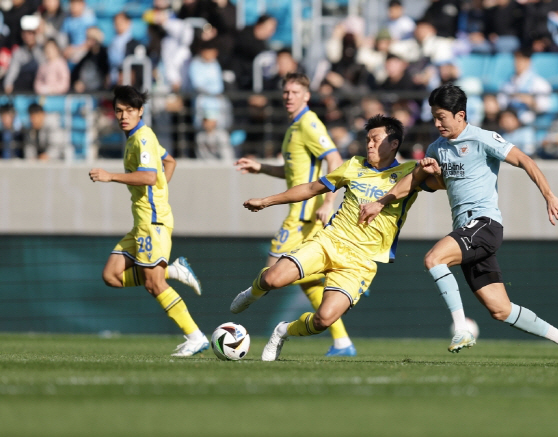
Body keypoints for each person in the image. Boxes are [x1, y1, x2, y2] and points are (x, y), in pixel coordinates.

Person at [359, 84, 558, 365]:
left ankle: (462, 328)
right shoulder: (437, 148)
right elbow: (424, 182)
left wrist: (549, 195)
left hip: (485, 225)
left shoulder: (482, 139)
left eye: (442, 116)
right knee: (500, 310)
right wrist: (401, 191)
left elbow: (525, 160)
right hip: (466, 232)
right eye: (434, 116)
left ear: (460, 115)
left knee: (433, 258)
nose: (437, 123)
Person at [231, 115, 437, 361]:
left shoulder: (410, 173)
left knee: (323, 319)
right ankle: (251, 293)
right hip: (330, 241)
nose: (369, 144)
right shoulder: (353, 166)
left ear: (394, 144)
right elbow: (311, 189)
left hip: (361, 261)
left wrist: (435, 169)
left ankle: (282, 331)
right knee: (273, 279)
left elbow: (443, 183)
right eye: (368, 140)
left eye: (376, 139)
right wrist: (266, 201)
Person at [233, 72, 356, 357]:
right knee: (308, 279)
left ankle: (246, 298)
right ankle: (342, 342)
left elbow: (335, 160)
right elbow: (293, 173)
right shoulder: (294, 128)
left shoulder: (310, 124)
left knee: (272, 272)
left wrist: (329, 202)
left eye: (294, 92)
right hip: (301, 214)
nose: (288, 97)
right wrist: (261, 167)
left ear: (306, 96)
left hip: (305, 217)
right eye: (285, 92)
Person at [88, 85, 208, 357]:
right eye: (119, 110)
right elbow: (170, 162)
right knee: (111, 275)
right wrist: (159, 195)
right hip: (142, 221)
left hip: (152, 222)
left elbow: (149, 176)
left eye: (129, 110)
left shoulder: (142, 138)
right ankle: (174, 271)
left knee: (154, 284)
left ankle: (196, 336)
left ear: (140, 111)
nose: (123, 115)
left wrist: (111, 176)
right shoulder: (139, 137)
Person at [4, 15, 44, 94]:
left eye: (31, 33)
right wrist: (8, 84)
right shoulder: (18, 52)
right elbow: (13, 69)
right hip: (24, 89)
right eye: (25, 33)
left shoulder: (43, 49)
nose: (27, 36)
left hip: (41, 88)